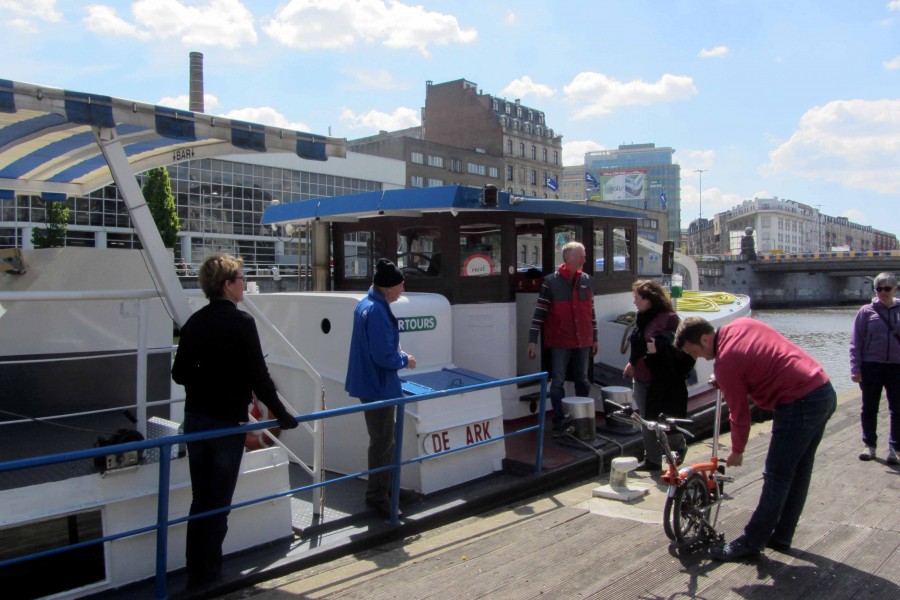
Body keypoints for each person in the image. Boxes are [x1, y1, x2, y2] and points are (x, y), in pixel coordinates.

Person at [172, 254, 298, 588]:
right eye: (240, 278)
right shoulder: (242, 323)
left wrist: (207, 375)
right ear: (227, 284)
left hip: (196, 420)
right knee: (219, 503)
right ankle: (209, 575)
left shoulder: (195, 323)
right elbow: (259, 376)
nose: (244, 283)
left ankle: (195, 573)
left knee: (201, 501)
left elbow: (179, 372)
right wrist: (282, 414)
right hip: (225, 423)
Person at [675, 317, 836, 561]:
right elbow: (760, 357)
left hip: (798, 402)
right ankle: (781, 536)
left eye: (695, 350)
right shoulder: (741, 325)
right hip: (821, 389)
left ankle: (752, 541)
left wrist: (737, 450)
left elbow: (740, 414)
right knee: (799, 471)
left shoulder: (726, 362)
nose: (697, 357)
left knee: (776, 477)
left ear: (706, 339)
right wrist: (730, 378)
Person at [345, 258, 417, 517]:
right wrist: (404, 360)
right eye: (400, 285)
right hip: (377, 386)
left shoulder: (366, 305)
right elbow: (382, 356)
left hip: (369, 383)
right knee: (383, 442)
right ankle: (378, 496)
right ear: (388, 288)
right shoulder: (377, 311)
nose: (402, 290)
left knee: (385, 440)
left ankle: (389, 488)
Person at [527, 241, 598, 437]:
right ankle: (559, 421)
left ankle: (582, 418)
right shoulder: (551, 281)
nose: (585, 258)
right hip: (560, 340)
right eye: (582, 255)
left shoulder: (587, 280)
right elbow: (540, 311)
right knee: (557, 381)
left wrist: (595, 336)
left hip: (583, 340)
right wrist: (532, 339)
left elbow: (590, 311)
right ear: (569, 258)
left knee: (582, 379)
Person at [623, 280, 695, 470]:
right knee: (646, 419)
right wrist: (632, 362)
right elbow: (638, 343)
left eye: (637, 298)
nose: (635, 302)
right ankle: (652, 460)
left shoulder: (669, 318)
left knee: (664, 418)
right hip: (641, 376)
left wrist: (659, 346)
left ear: (649, 299)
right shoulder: (642, 317)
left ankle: (678, 445)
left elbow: (675, 344)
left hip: (661, 378)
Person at [850, 272, 899, 464]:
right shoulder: (866, 311)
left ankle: (895, 448)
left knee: (897, 409)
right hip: (871, 366)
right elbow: (856, 341)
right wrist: (855, 368)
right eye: (879, 289)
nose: (883, 292)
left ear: (895, 289)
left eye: (887, 288)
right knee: (869, 407)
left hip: (896, 366)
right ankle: (869, 445)